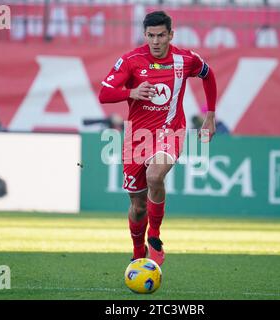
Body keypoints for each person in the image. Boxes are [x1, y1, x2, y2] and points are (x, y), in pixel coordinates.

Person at [98, 11, 217, 266]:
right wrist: (132, 91)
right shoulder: (131, 60)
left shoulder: (186, 59)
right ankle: (138, 249)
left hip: (170, 131)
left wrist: (210, 115)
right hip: (136, 138)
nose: (156, 41)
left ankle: (154, 235)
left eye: (161, 35)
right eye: (151, 35)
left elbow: (209, 75)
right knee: (138, 205)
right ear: (145, 35)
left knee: (155, 176)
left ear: (170, 35)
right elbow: (104, 94)